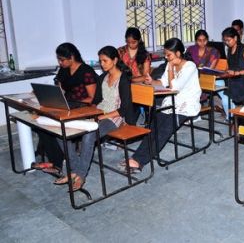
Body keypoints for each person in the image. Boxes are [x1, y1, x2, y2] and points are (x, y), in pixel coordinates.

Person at [54, 46, 135, 191]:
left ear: (115, 60)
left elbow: (124, 109)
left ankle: (81, 175)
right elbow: (95, 100)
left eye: (105, 61)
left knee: (89, 135)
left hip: (115, 117)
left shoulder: (123, 79)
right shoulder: (103, 77)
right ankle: (74, 170)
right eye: (100, 61)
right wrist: (85, 113)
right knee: (61, 132)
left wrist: (101, 116)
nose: (102, 64)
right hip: (99, 113)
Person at [126, 38, 201, 170]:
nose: (166, 58)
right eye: (165, 55)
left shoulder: (190, 66)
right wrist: (151, 82)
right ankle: (137, 156)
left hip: (185, 106)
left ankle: (140, 161)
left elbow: (174, 87)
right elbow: (163, 82)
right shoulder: (170, 64)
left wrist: (171, 68)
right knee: (154, 126)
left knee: (164, 131)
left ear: (178, 53)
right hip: (171, 103)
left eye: (168, 55)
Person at [31, 43, 98, 176]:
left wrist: (71, 102)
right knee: (42, 125)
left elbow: (92, 99)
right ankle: (57, 161)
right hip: (67, 106)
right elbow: (60, 90)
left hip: (82, 108)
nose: (60, 62)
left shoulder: (86, 72)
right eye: (58, 59)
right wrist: (50, 95)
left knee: (53, 126)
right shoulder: (64, 70)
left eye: (62, 59)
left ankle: (58, 163)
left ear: (71, 57)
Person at [217, 27, 244, 120]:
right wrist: (225, 71)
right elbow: (230, 66)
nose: (226, 42)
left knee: (226, 95)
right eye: (225, 41)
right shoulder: (229, 49)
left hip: (241, 80)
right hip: (231, 78)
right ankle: (232, 116)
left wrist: (237, 73)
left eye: (228, 40)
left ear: (236, 38)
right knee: (217, 83)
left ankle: (233, 116)